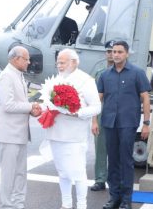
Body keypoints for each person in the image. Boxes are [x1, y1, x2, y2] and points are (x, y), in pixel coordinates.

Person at [98, 40, 151, 209]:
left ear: (127, 54)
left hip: (128, 123)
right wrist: (93, 120)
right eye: (113, 51)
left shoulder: (137, 73)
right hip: (109, 123)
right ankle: (114, 197)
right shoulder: (105, 75)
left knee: (126, 161)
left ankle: (127, 199)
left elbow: (145, 98)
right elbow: (97, 99)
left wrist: (146, 123)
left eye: (120, 52)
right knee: (112, 160)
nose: (116, 54)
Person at [47, 49, 101, 209]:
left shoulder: (86, 81)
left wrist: (78, 113)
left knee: (77, 173)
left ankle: (82, 205)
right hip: (55, 133)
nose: (59, 65)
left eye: (62, 62)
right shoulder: (55, 80)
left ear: (74, 63)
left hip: (75, 136)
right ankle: (66, 204)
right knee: (62, 172)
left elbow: (97, 107)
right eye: (58, 62)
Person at [0, 46, 41, 209]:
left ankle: (18, 204)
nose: (29, 62)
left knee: (20, 173)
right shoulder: (7, 76)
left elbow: (19, 104)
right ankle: (7, 205)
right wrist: (31, 106)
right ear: (15, 59)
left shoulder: (18, 75)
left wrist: (32, 111)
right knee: (9, 174)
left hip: (19, 132)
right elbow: (8, 105)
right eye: (26, 59)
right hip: (9, 134)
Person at [90, 40, 115, 192]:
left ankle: (114, 179)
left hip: (118, 115)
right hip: (101, 113)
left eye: (114, 51)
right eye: (109, 51)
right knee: (100, 149)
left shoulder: (127, 71)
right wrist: (94, 119)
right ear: (105, 53)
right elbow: (94, 97)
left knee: (116, 149)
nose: (112, 54)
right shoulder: (99, 72)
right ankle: (100, 179)